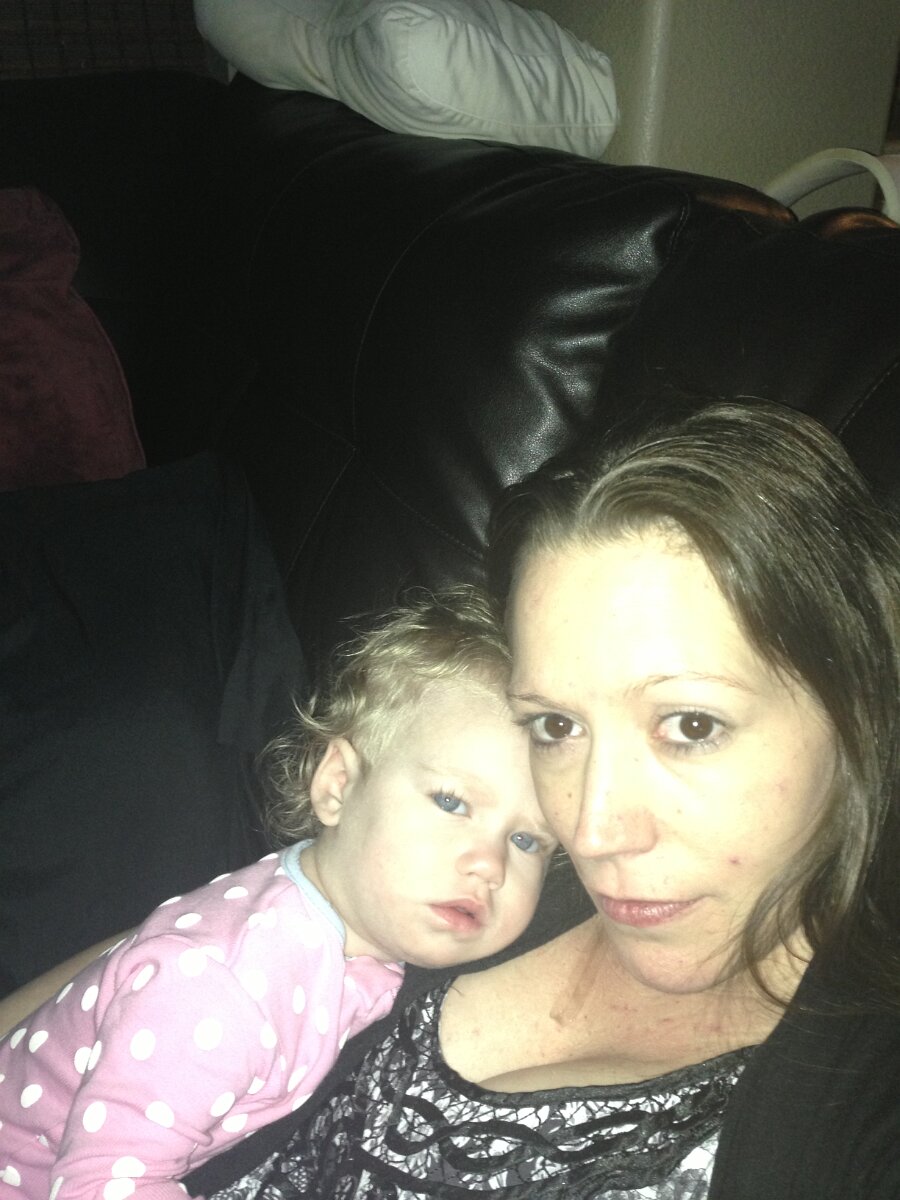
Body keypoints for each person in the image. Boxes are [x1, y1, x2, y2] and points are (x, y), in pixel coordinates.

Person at [179, 399, 900, 1200]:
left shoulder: (861, 1114)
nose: (587, 831)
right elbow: (172, 953)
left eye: (691, 725)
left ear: (861, 705)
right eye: (556, 725)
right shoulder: (490, 842)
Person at [0, 587, 557, 1200]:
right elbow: (101, 1184)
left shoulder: (354, 927)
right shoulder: (224, 986)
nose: (490, 865)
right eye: (452, 802)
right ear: (337, 785)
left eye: (528, 840)